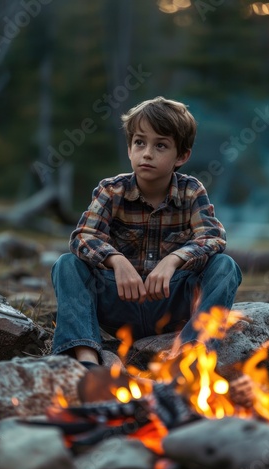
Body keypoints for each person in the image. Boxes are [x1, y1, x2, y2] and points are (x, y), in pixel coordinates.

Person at [51, 96, 242, 375]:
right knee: (66, 264)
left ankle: (191, 357)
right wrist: (115, 260)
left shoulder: (191, 192)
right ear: (129, 148)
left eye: (160, 145)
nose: (147, 153)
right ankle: (87, 361)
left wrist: (175, 259)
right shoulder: (111, 190)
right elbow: (82, 236)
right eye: (140, 142)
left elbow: (213, 237)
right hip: (118, 305)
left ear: (182, 156)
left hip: (171, 305)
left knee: (225, 267)